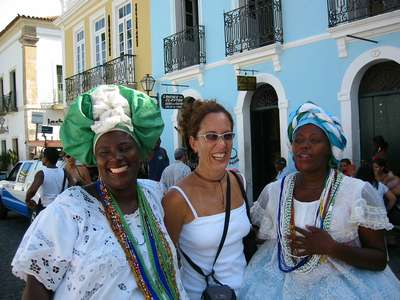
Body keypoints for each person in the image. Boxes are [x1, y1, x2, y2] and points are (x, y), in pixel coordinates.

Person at [12, 85, 187, 299]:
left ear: (139, 150)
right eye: (105, 152)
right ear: (95, 158)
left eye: (124, 147)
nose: (116, 157)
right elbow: (36, 289)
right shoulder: (70, 209)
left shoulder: (156, 196)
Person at [239, 102, 400, 299]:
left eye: (315, 140)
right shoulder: (274, 191)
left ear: (329, 149)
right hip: (278, 287)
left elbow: (379, 259)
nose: (305, 145)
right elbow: (263, 238)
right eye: (298, 140)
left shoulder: (357, 192)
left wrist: (333, 248)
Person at [163, 100, 251, 299]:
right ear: (194, 143)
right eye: (211, 136)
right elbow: (165, 264)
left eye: (227, 136)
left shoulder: (239, 181)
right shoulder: (177, 198)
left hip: (246, 292)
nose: (222, 144)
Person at [26, 147, 67, 216]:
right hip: (61, 208)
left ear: (46, 158)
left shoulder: (41, 174)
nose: (41, 159)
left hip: (46, 209)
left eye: (42, 156)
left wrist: (27, 200)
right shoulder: (64, 172)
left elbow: (32, 191)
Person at [373, 158, 400, 225]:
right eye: (373, 167)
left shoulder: (389, 175)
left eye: (376, 167)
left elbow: (380, 187)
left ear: (382, 168)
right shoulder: (373, 176)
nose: (374, 169)